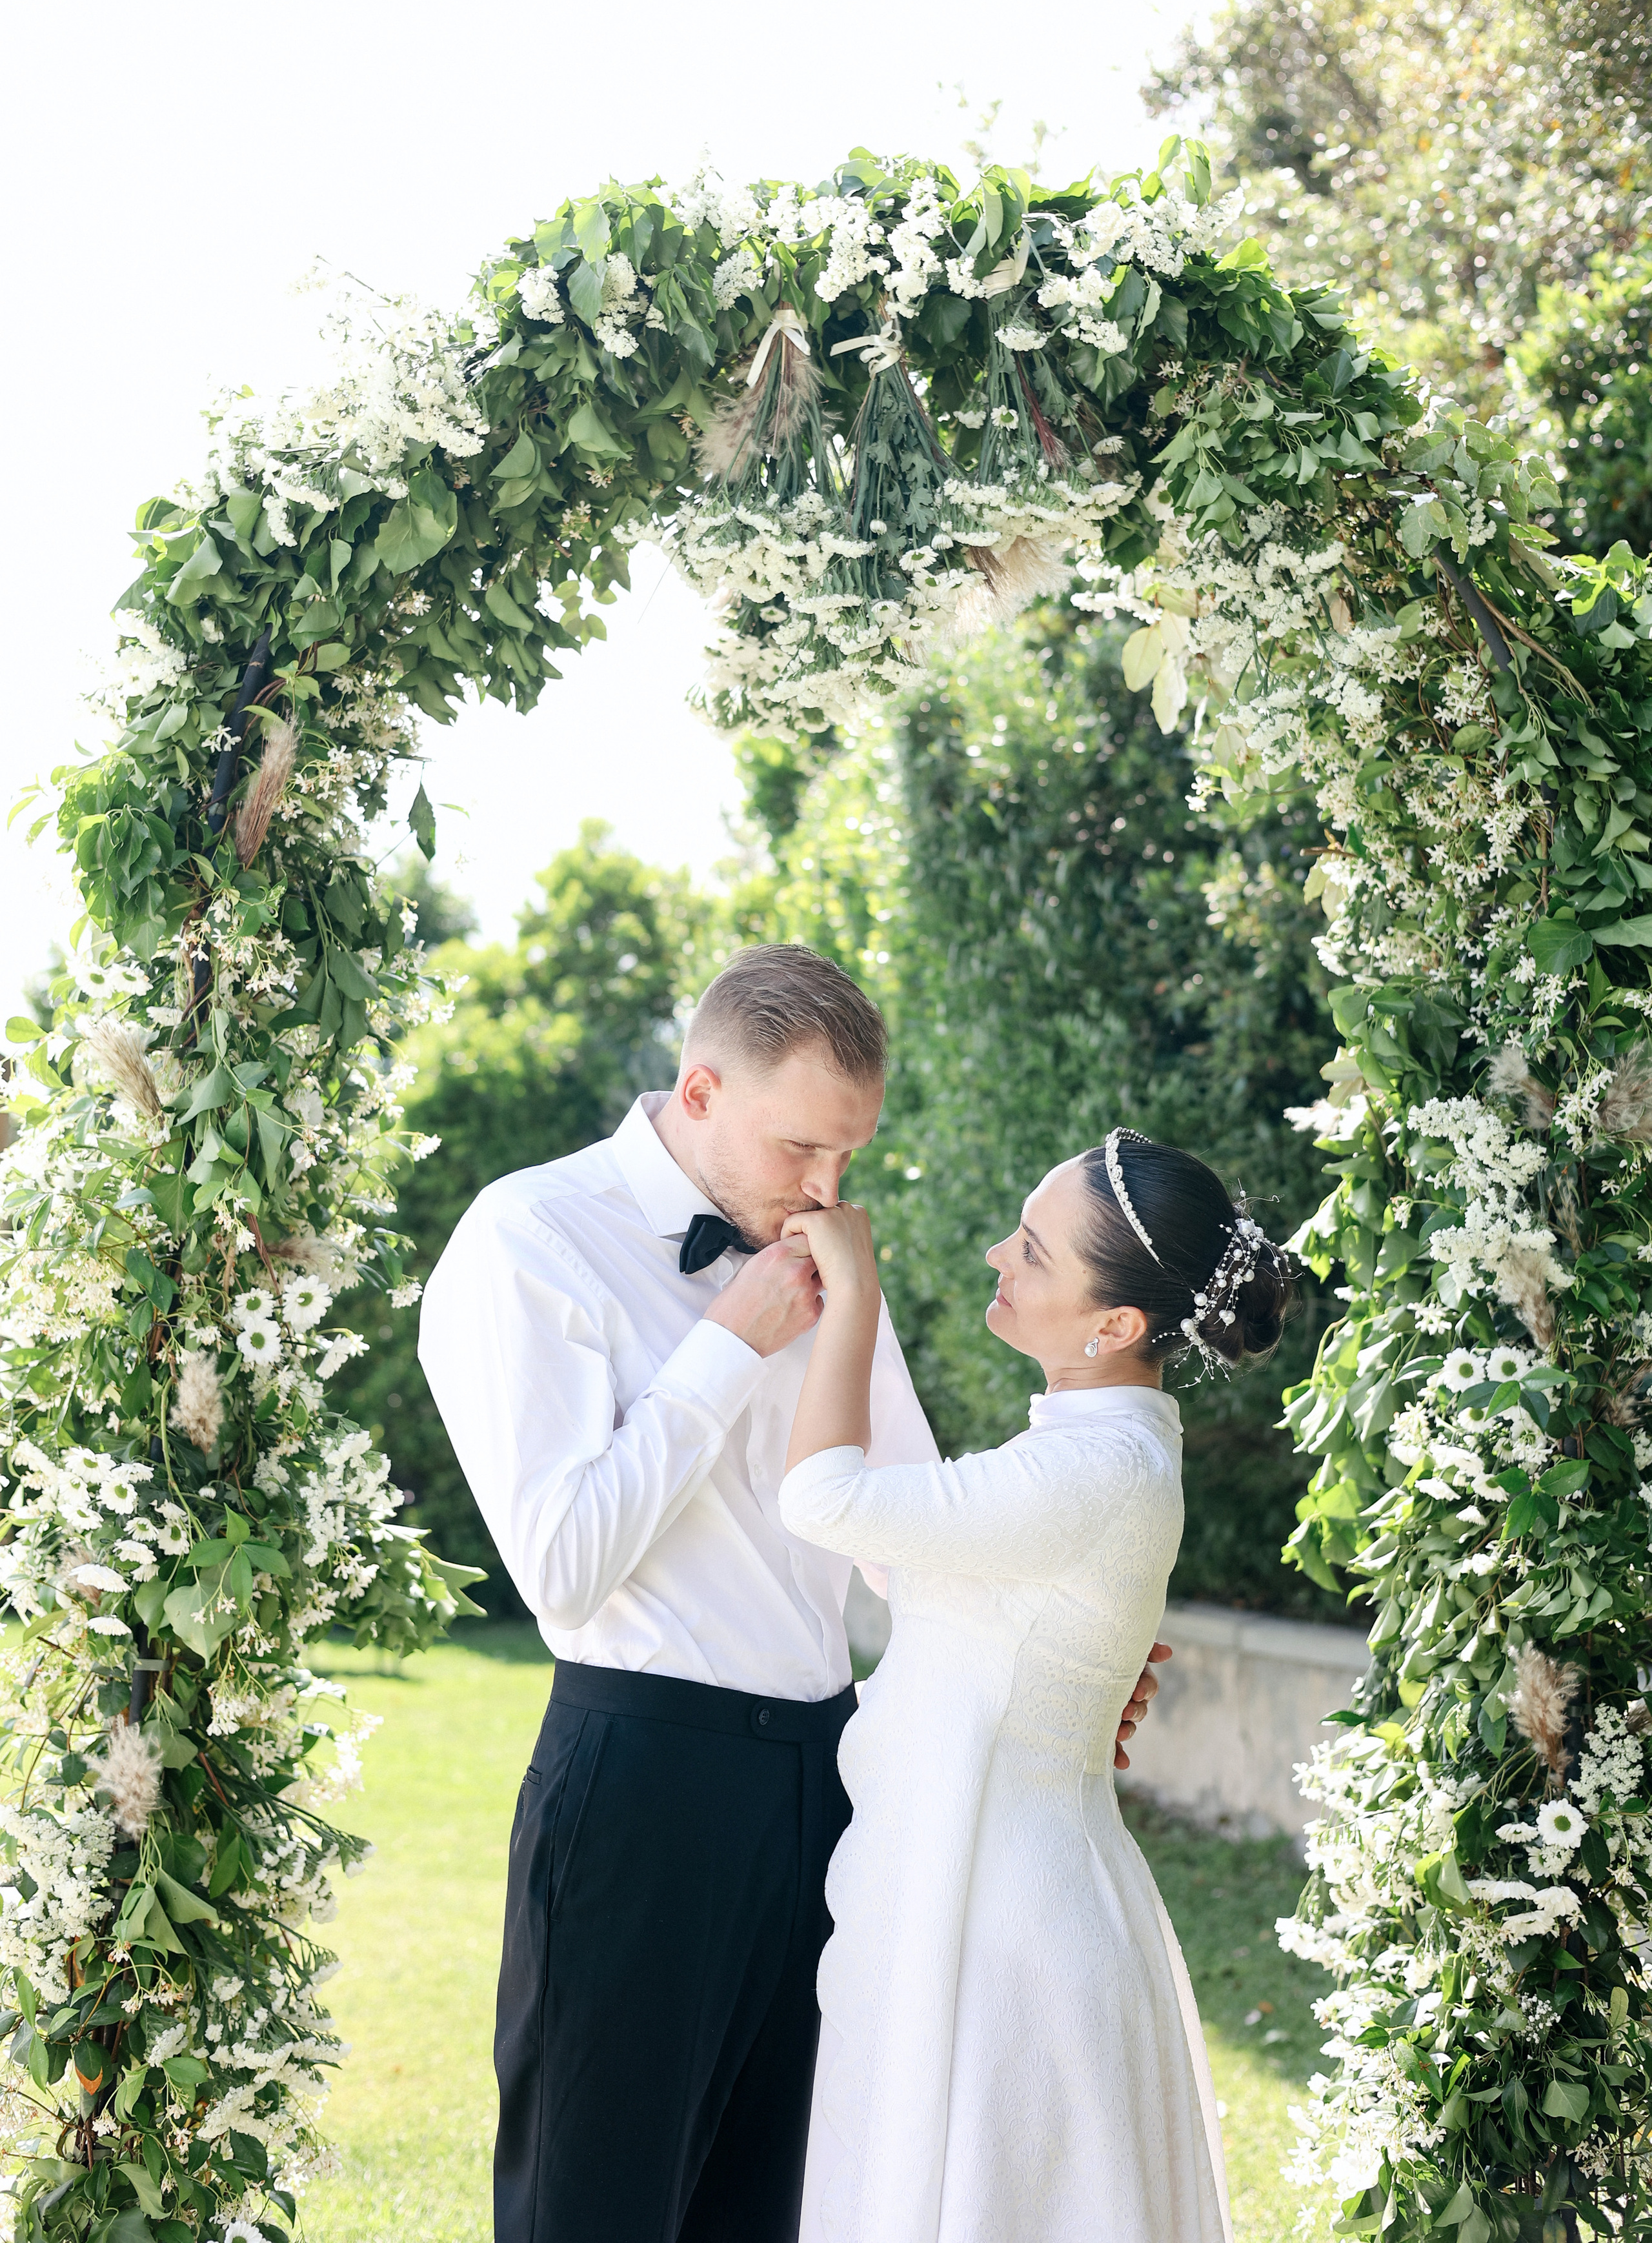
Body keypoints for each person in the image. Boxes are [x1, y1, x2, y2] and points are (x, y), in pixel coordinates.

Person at [417, 947, 1167, 2243]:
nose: (825, 1190)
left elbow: (913, 1526)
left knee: (782, 2206)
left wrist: (1065, 1652)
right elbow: (561, 1566)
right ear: (699, 1092)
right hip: (641, 1782)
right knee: (593, 2207)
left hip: (831, 1783)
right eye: (800, 1151)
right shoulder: (526, 1242)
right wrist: (727, 1346)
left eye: (848, 1157)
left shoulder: (818, 1250)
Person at [778, 1129, 1297, 2243]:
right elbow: (950, 1572)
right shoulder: (1090, 1459)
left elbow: (824, 1500)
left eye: (1032, 1250)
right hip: (964, 1892)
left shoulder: (1090, 1469)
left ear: (1117, 1326)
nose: (994, 1258)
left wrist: (853, 1292)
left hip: (998, 1932)